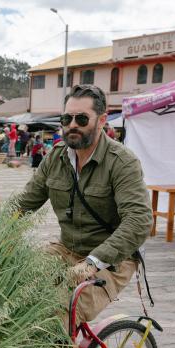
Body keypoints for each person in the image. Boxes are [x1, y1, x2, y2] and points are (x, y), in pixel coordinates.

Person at [13, 84, 152, 326]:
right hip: (65, 250)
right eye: (66, 118)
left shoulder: (122, 162)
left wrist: (92, 262)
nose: (72, 125)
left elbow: (139, 221)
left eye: (81, 118)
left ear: (101, 120)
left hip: (111, 260)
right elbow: (24, 203)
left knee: (58, 315)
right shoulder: (55, 157)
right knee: (14, 289)